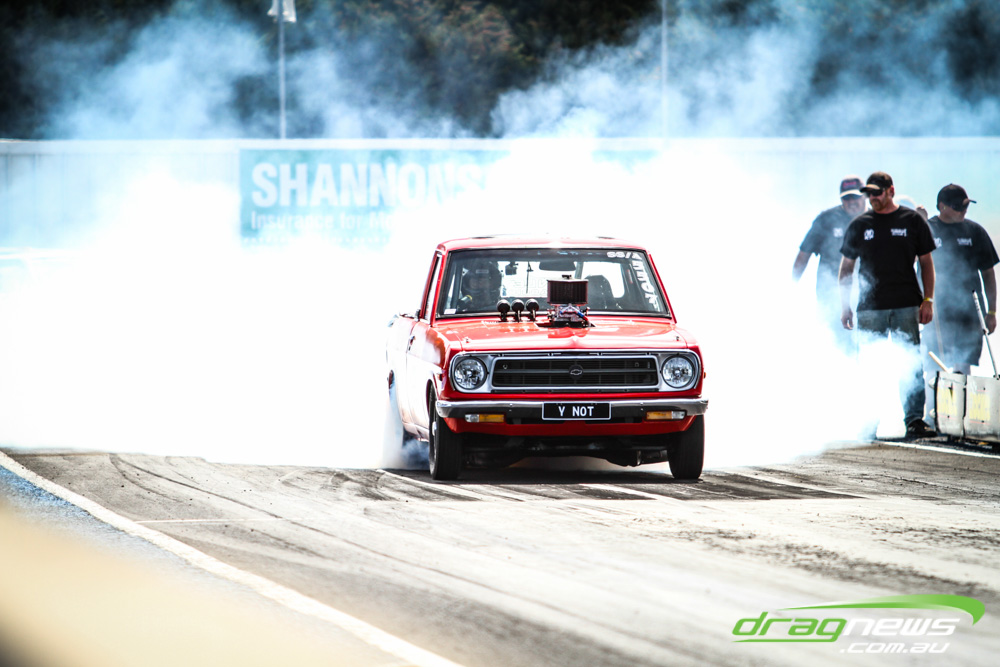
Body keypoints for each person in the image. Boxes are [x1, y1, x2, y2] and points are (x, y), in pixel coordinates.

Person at [838, 171, 937, 439]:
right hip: (870, 308)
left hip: (907, 304)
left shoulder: (912, 220)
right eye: (869, 194)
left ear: (891, 191)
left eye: (877, 193)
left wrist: (928, 300)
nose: (872, 198)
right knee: (870, 365)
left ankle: (914, 419)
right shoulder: (860, 224)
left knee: (912, 363)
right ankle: (869, 423)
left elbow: (927, 263)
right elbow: (846, 268)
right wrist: (845, 305)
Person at [923, 184, 999, 375]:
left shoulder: (975, 231)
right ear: (942, 207)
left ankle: (962, 393)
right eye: (958, 206)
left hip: (969, 311)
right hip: (937, 311)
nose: (964, 210)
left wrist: (991, 311)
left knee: (963, 365)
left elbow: (988, 273)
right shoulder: (927, 229)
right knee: (935, 366)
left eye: (966, 205)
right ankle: (935, 396)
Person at [793, 175, 868, 348]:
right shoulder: (826, 220)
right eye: (846, 198)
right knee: (836, 343)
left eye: (855, 197)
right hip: (831, 295)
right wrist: (792, 285)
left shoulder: (877, 219)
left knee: (868, 343)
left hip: (868, 296)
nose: (851, 202)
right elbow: (803, 255)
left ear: (865, 196)